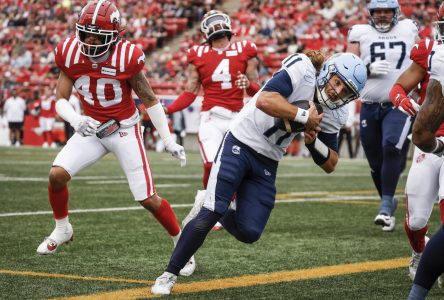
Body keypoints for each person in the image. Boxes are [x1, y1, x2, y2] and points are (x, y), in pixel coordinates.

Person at [151, 52, 367, 295]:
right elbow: (265, 99)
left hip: (268, 159)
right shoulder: (304, 70)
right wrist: (304, 116)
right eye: (337, 82)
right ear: (328, 70)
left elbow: (331, 163)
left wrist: (313, 141)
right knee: (215, 209)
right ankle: (168, 274)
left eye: (346, 91)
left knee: (249, 231)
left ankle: (206, 200)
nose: (338, 92)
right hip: (241, 141)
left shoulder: (336, 113)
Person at [36, 0, 195, 277]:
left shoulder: (126, 56)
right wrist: (76, 119)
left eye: (98, 34)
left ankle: (183, 245)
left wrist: (168, 139)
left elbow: (149, 98)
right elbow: (60, 99)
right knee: (56, 175)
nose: (91, 39)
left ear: (115, 36)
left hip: (124, 129)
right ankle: (63, 229)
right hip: (91, 128)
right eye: (85, 33)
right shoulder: (69, 52)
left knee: (147, 198)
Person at [164, 10, 260, 231]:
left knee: (236, 168)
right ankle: (213, 208)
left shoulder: (245, 49)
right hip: (212, 117)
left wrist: (249, 85)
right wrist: (168, 110)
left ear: (228, 24)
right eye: (212, 23)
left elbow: (257, 89)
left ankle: (226, 204)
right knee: (211, 163)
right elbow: (190, 92)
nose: (216, 27)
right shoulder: (197, 53)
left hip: (238, 117)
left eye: (219, 22)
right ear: (205, 30)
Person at [347, 0, 419, 232]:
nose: (382, 15)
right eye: (378, 11)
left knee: (390, 146)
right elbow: (348, 65)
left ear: (395, 12)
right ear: (371, 13)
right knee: (375, 161)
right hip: (369, 105)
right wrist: (366, 69)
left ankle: (386, 208)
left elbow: (421, 58)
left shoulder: (409, 28)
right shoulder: (360, 32)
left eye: (387, 10)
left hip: (399, 102)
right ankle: (388, 199)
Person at [389, 2, 444, 282]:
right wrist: (402, 100)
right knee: (417, 220)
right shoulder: (429, 51)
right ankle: (420, 250)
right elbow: (398, 87)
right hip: (429, 141)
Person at [407, 38, 444, 300]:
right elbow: (420, 135)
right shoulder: (437, 55)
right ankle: (421, 254)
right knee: (417, 220)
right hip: (435, 143)